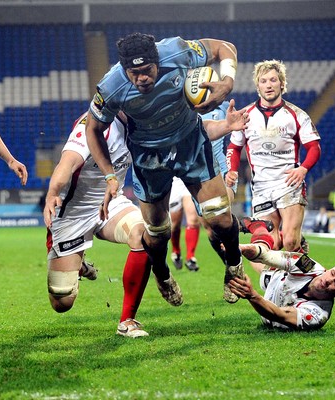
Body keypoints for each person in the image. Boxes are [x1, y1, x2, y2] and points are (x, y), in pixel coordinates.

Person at [85, 32, 247, 304]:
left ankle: (234, 266)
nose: (141, 79)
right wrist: (110, 175)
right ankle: (162, 272)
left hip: (190, 143)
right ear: (124, 69)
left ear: (157, 60)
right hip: (149, 158)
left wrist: (227, 82)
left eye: (147, 70)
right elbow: (93, 129)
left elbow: (224, 47)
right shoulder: (111, 86)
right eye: (133, 73)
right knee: (158, 232)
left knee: (219, 217)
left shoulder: (177, 51)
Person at [43, 111, 181, 339]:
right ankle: (78, 264)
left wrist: (225, 125)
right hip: (72, 212)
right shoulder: (95, 123)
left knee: (142, 232)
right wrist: (53, 192)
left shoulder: (145, 124)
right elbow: (67, 161)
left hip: (111, 203)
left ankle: (127, 321)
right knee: (62, 301)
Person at [226, 59, 321, 255]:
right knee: (271, 243)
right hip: (261, 187)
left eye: (273, 80)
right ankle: (284, 282)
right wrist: (232, 170)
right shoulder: (246, 115)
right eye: (263, 81)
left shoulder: (297, 115)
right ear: (257, 85)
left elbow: (314, 148)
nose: (268, 85)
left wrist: (303, 169)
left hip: (289, 184)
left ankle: (303, 278)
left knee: (290, 241)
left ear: (282, 83)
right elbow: (234, 148)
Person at [229, 217, 335, 330]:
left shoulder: (318, 314)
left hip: (271, 304)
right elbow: (268, 257)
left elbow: (279, 315)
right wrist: (238, 248)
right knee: (265, 257)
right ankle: (261, 229)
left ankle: (262, 229)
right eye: (332, 273)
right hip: (277, 278)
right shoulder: (309, 266)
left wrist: (252, 295)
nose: (328, 280)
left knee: (264, 261)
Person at [169, 101, 234, 271]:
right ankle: (176, 251)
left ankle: (191, 257)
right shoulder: (181, 104)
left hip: (203, 172)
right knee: (174, 224)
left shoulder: (223, 106)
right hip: (177, 172)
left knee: (197, 219)